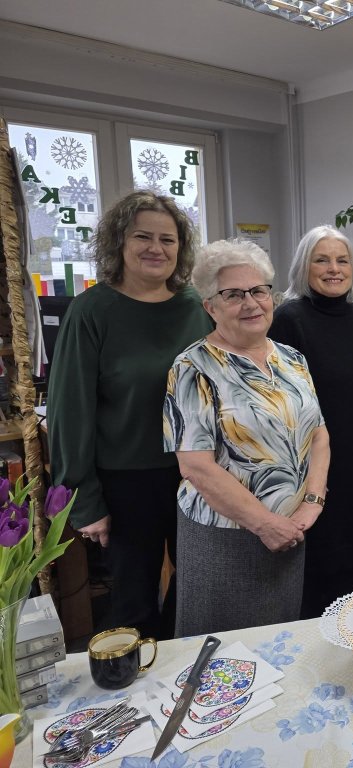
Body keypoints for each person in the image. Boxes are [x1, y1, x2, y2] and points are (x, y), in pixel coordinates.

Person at [49, 191, 212, 640]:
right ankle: (135, 692)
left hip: (198, 476)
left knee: (197, 586)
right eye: (143, 236)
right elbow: (70, 411)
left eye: (168, 239)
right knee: (133, 599)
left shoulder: (199, 307)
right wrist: (84, 499)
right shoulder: (92, 311)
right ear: (119, 241)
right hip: (126, 482)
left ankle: (185, 681)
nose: (156, 248)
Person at [164, 239, 330, 636]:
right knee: (218, 656)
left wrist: (311, 504)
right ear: (211, 307)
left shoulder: (291, 359)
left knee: (279, 642)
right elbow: (195, 467)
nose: (251, 302)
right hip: (227, 540)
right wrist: (265, 525)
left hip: (291, 533)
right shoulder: (192, 368)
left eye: (258, 291)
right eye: (233, 294)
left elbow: (319, 435)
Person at [268, 225, 353, 617]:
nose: (334, 269)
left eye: (342, 260)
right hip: (315, 465)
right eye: (322, 260)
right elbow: (282, 404)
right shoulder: (288, 319)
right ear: (304, 267)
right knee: (322, 564)